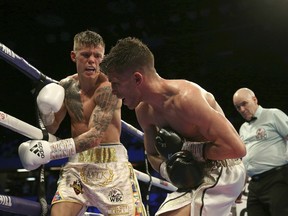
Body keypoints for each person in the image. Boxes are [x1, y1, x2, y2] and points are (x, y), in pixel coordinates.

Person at [100, 37, 246, 216]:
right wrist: (171, 170)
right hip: (195, 177)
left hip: (223, 170)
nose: (113, 91)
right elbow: (152, 154)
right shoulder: (144, 111)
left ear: (137, 79)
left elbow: (236, 149)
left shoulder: (187, 99)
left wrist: (186, 149)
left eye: (116, 83)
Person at [18, 31, 146, 216]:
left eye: (97, 56)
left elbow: (95, 137)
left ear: (103, 59)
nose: (92, 61)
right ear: (74, 56)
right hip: (77, 166)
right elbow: (51, 128)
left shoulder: (110, 87)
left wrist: (50, 151)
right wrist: (45, 112)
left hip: (111, 165)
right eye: (86, 55)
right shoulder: (65, 86)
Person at [233, 87, 288, 216]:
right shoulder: (243, 128)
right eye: (237, 107)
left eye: (244, 103)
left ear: (254, 99)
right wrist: (239, 187)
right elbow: (244, 159)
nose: (241, 109)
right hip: (254, 185)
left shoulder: (273, 114)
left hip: (277, 179)